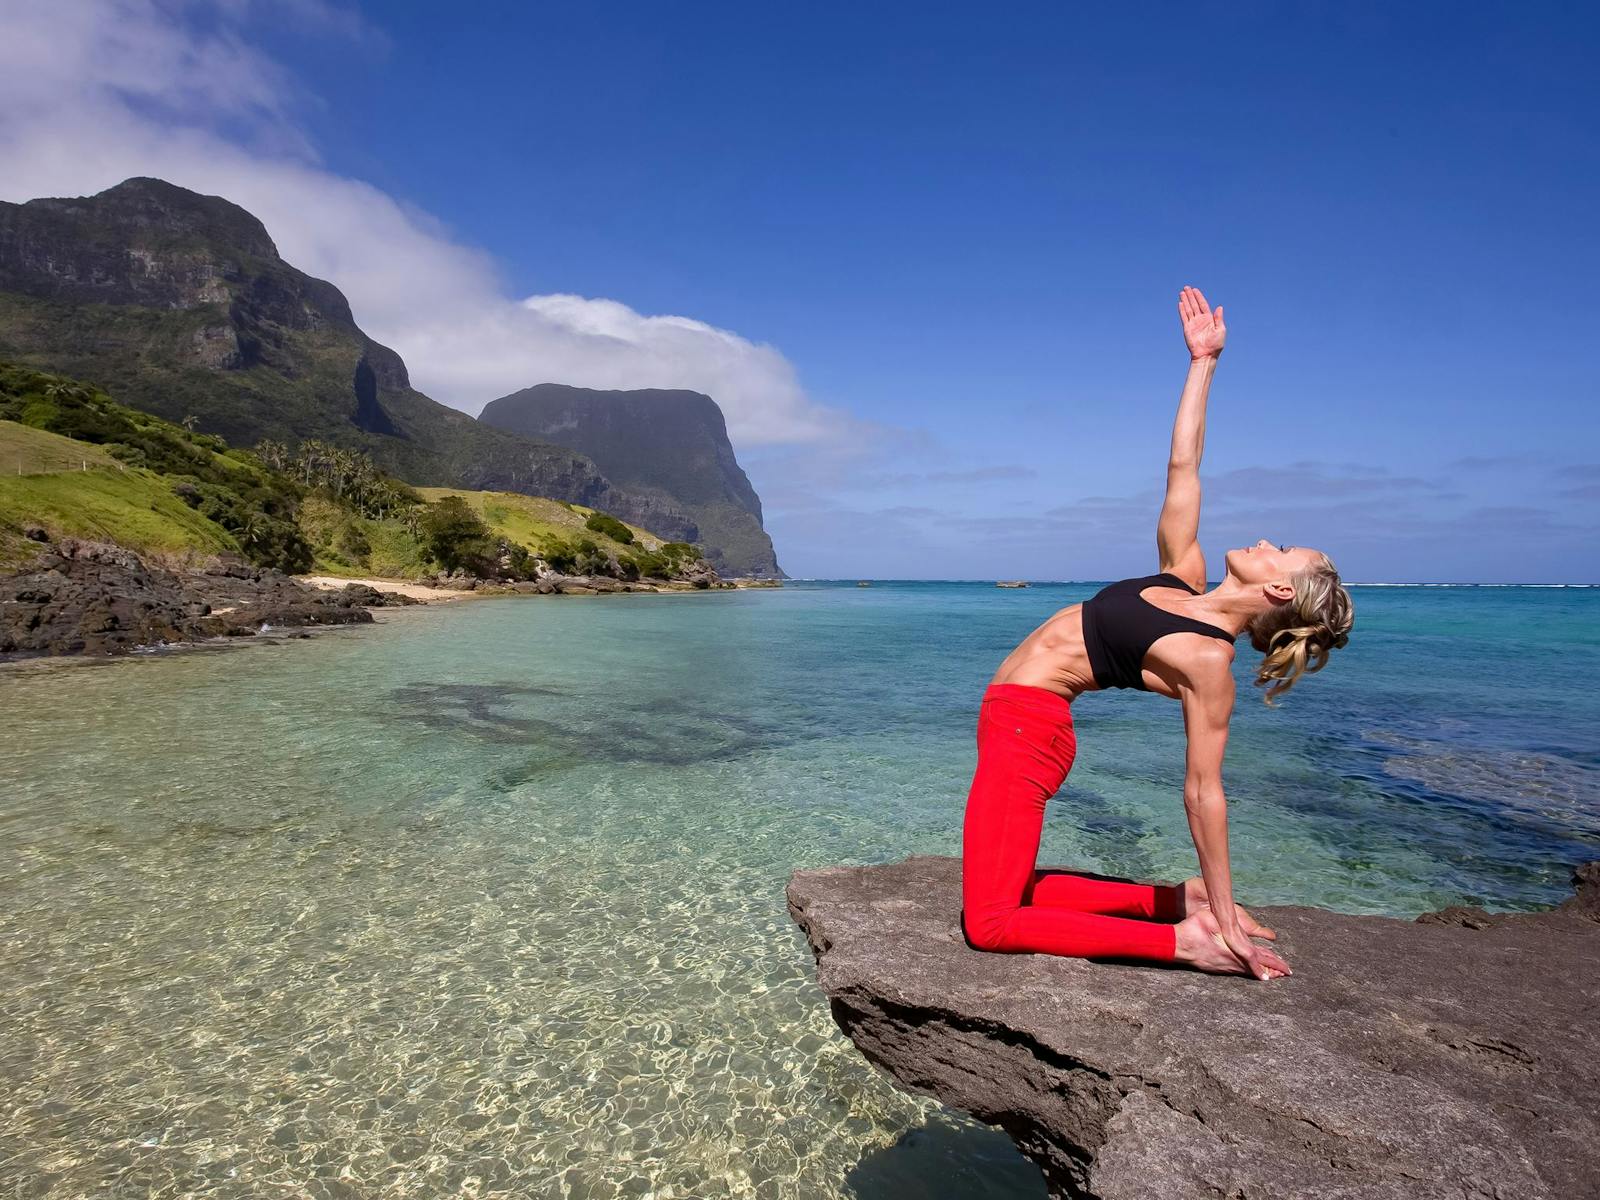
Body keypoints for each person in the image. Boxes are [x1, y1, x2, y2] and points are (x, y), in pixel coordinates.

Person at [960, 286, 1354, 981]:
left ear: (1280, 590)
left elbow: (1205, 793)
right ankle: (1175, 903)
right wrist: (1203, 363)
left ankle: (1188, 941)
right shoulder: (1182, 577)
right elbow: (1184, 467)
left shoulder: (1208, 663)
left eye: (1283, 549)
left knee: (991, 924)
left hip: (1029, 728)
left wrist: (1229, 920)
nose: (1267, 539)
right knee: (1011, 890)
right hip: (1016, 723)